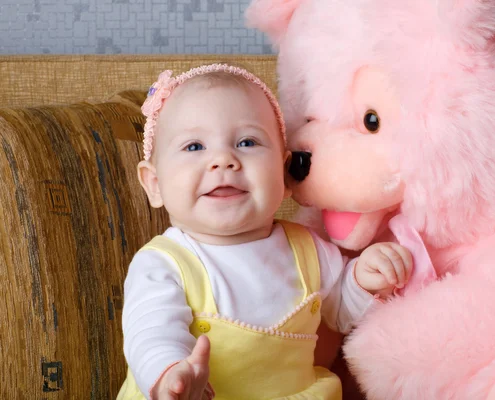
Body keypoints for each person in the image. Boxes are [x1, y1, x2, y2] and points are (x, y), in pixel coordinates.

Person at [117, 64, 414, 400]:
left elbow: (341, 311)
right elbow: (151, 333)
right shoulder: (163, 264)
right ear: (154, 185)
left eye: (247, 141)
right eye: (194, 147)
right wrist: (171, 373)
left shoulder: (308, 249)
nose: (223, 160)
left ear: (286, 173)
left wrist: (364, 278)